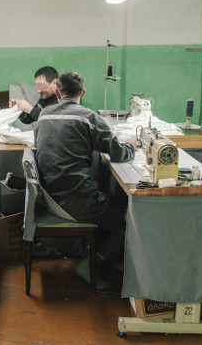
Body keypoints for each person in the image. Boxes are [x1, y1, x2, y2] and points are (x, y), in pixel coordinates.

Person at [34, 71, 138, 292]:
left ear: (58, 93)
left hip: (50, 197)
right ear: (82, 93)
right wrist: (131, 144)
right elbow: (119, 153)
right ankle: (91, 263)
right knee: (132, 218)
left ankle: (99, 259)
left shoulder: (43, 115)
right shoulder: (89, 117)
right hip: (77, 201)